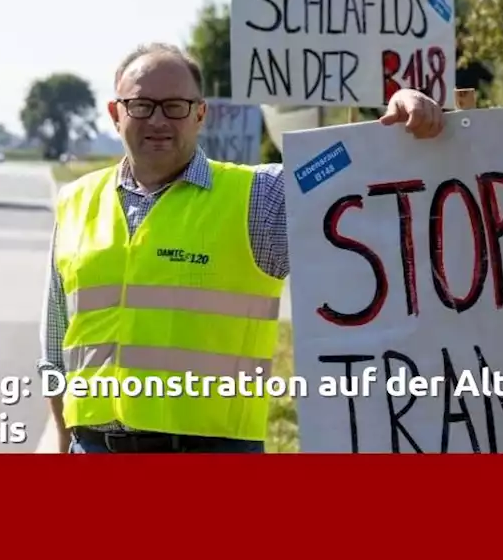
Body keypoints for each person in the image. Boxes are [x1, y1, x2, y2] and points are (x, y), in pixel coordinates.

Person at [38, 43, 446, 453]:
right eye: (141, 105)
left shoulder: (258, 197)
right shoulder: (76, 201)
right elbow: (56, 346)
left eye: (175, 106)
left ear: (200, 114)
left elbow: (358, 180)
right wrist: (60, 438)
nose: (158, 120)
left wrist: (399, 120)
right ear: (115, 114)